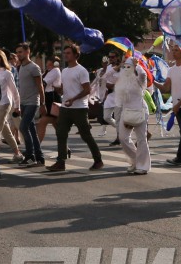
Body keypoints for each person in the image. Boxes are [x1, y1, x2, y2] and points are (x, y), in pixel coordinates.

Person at [46, 44, 103, 173]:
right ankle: (61, 162)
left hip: (79, 108)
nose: (65, 55)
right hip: (65, 108)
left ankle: (98, 160)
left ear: (76, 55)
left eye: (68, 53)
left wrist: (73, 99)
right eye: (64, 53)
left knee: (86, 135)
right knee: (61, 133)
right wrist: (58, 89)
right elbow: (64, 89)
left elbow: (87, 90)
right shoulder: (64, 71)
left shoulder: (81, 71)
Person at [154, 42, 181, 165]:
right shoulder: (171, 70)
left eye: (176, 50)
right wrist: (153, 81)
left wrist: (178, 105)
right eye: (173, 50)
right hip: (177, 105)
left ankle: (180, 158)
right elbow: (165, 88)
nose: (173, 52)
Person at [115, 57, 151, 174]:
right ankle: (136, 160)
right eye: (125, 66)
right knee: (123, 138)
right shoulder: (122, 80)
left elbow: (143, 75)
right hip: (126, 112)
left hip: (140, 110)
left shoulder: (139, 80)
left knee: (141, 139)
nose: (126, 68)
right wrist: (119, 65)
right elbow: (108, 76)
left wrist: (137, 65)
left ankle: (143, 166)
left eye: (129, 66)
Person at [0, 49, 23, 162]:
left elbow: (14, 91)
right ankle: (18, 154)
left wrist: (17, 106)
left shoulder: (7, 73)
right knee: (6, 132)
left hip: (4, 104)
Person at [14, 42, 46, 166]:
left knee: (23, 127)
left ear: (28, 52)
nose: (18, 54)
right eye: (17, 52)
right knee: (31, 130)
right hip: (23, 103)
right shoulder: (21, 67)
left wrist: (43, 104)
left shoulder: (34, 67)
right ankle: (40, 157)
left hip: (32, 102)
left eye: (20, 52)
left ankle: (30, 155)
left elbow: (40, 86)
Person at [100, 50, 121, 145]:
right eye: (109, 57)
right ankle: (121, 130)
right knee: (106, 117)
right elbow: (104, 80)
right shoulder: (108, 67)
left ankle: (119, 138)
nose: (111, 59)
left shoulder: (122, 68)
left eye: (113, 57)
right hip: (110, 95)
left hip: (119, 95)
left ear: (117, 57)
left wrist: (113, 85)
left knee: (118, 117)